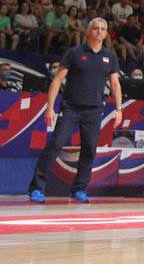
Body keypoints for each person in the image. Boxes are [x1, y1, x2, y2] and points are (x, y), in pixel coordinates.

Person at [28, 17, 122, 203]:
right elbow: (57, 80)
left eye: (103, 29)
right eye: (96, 28)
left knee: (89, 150)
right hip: (71, 108)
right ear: (88, 31)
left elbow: (115, 83)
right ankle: (37, 188)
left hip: (94, 110)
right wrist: (50, 107)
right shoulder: (74, 53)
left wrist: (119, 109)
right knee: (55, 144)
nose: (99, 32)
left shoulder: (109, 56)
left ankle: (79, 189)